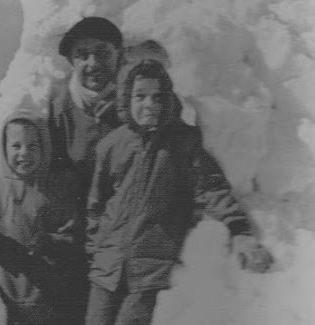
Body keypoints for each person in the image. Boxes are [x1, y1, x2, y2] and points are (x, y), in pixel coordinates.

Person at [85, 59, 273, 325]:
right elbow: (96, 204)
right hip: (107, 267)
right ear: (126, 99)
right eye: (140, 96)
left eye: (157, 96)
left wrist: (239, 230)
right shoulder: (112, 145)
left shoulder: (183, 143)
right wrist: (96, 249)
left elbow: (211, 188)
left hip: (149, 270)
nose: (149, 104)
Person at [0, 109, 84, 325]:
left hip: (47, 297)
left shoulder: (54, 189)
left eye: (32, 146)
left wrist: (52, 242)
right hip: (8, 297)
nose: (24, 153)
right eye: (16, 146)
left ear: (44, 147)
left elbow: (73, 238)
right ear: (4, 147)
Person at [49, 16, 124, 194]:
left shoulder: (138, 95)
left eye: (103, 53)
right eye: (82, 55)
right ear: (71, 61)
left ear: (118, 54)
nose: (93, 63)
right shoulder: (59, 110)